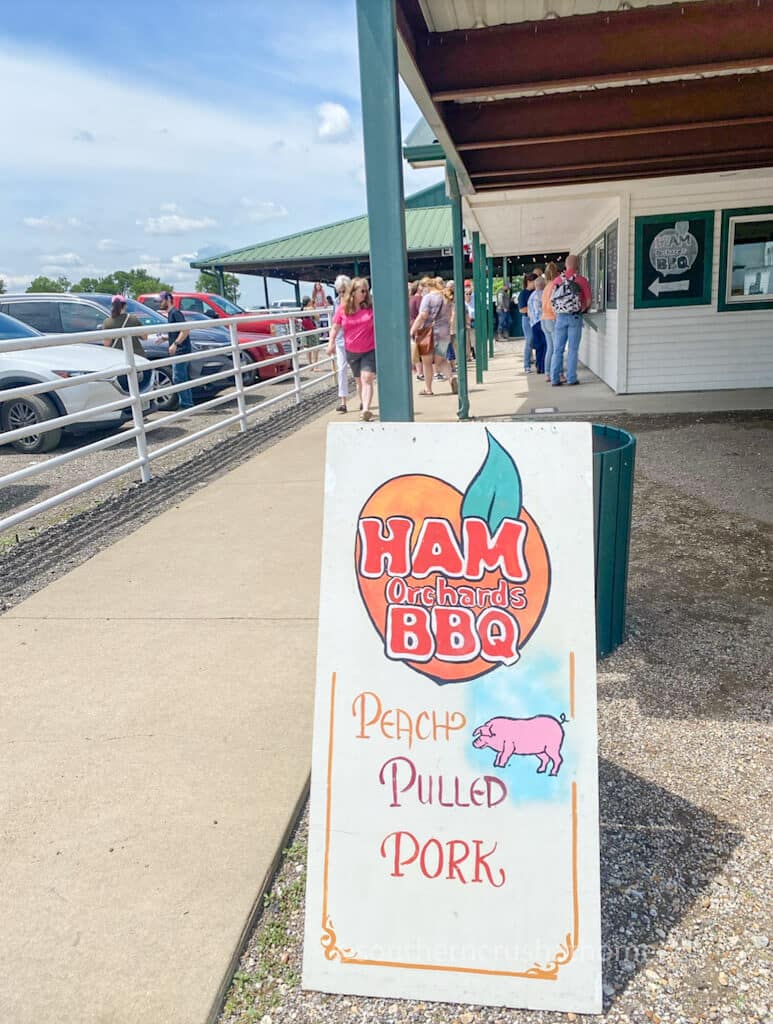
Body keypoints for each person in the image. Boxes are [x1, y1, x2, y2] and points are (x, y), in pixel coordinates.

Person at [327, 277, 376, 421]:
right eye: (362, 291)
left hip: (369, 349)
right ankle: (363, 403)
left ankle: (366, 409)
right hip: (352, 351)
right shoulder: (343, 309)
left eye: (366, 291)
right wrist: (331, 343)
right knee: (359, 381)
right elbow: (335, 328)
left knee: (367, 378)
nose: (365, 294)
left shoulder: (370, 308)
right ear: (353, 292)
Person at [549, 254, 592, 386]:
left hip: (560, 318)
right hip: (575, 316)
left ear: (565, 265)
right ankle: (571, 378)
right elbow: (589, 300)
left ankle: (555, 379)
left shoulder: (557, 281)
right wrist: (582, 308)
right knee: (573, 349)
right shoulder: (582, 280)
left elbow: (552, 301)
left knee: (558, 349)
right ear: (577, 265)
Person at [411, 277, 456, 396]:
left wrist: (413, 330)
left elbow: (423, 315)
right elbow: (451, 315)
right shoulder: (446, 297)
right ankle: (451, 378)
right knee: (441, 360)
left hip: (429, 333)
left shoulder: (428, 298)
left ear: (427, 287)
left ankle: (428, 388)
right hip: (444, 332)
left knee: (427, 362)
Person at [158, 291, 193, 409]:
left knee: (178, 378)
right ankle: (187, 403)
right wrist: (166, 338)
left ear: (168, 299)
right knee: (182, 377)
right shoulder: (171, 314)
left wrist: (175, 344)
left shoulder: (175, 313)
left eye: (161, 300)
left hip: (181, 351)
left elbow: (185, 330)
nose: (159, 303)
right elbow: (178, 332)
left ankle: (186, 404)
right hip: (181, 349)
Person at [333, 275, 351, 413]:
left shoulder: (354, 302)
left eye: (344, 291)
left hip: (354, 339)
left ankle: (363, 399)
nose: (341, 294)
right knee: (341, 369)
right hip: (340, 340)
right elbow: (335, 323)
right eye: (339, 291)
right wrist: (331, 341)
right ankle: (343, 400)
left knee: (358, 371)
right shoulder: (336, 302)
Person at [541, 262, 560, 382]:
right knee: (557, 349)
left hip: (544, 319)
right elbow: (555, 304)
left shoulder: (546, 287)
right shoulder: (555, 285)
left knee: (550, 348)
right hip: (552, 319)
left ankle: (547, 373)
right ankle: (557, 373)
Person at [516, 274, 536, 373]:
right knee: (529, 340)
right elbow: (521, 309)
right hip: (527, 319)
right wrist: (534, 309)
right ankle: (526, 365)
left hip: (536, 320)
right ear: (529, 281)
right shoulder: (523, 294)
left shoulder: (536, 292)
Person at [527, 277, 546, 375]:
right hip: (542, 321)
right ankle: (544, 366)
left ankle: (538, 366)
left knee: (538, 346)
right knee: (545, 345)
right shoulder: (544, 294)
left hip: (533, 323)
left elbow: (529, 313)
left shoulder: (531, 296)